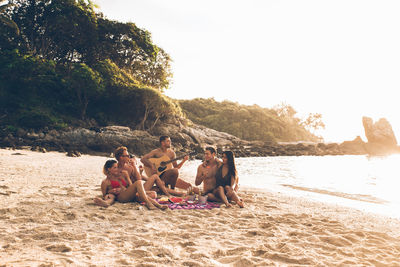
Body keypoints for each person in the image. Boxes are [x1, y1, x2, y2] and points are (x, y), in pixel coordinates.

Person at [93, 159, 167, 210]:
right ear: (109, 169)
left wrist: (127, 177)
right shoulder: (105, 182)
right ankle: (149, 204)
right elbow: (104, 195)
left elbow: (130, 186)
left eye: (117, 167)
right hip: (121, 197)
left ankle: (158, 205)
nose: (117, 169)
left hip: (127, 194)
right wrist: (111, 191)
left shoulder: (121, 175)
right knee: (139, 183)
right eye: (115, 168)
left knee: (145, 194)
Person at [114, 146, 183, 197]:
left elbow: (139, 178)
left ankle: (177, 194)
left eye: (129, 156)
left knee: (157, 185)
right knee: (155, 190)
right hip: (130, 191)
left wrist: (135, 167)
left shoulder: (130, 166)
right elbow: (137, 180)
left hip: (139, 187)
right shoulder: (115, 168)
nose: (129, 157)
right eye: (127, 156)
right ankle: (172, 194)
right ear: (121, 157)